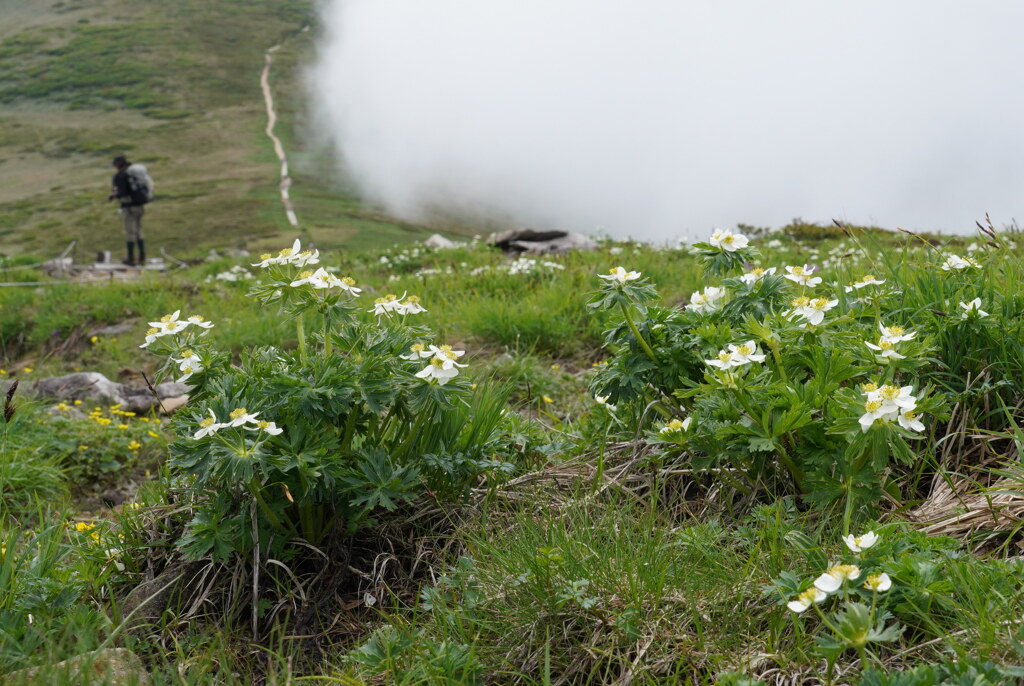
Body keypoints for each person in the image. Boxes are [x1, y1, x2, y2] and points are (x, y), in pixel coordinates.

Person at [108, 154, 146, 266]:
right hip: (140, 206)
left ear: (118, 165)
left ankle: (131, 258)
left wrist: (114, 195)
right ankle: (142, 256)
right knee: (139, 231)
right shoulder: (134, 175)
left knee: (130, 232)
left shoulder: (120, 176)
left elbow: (122, 192)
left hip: (128, 207)